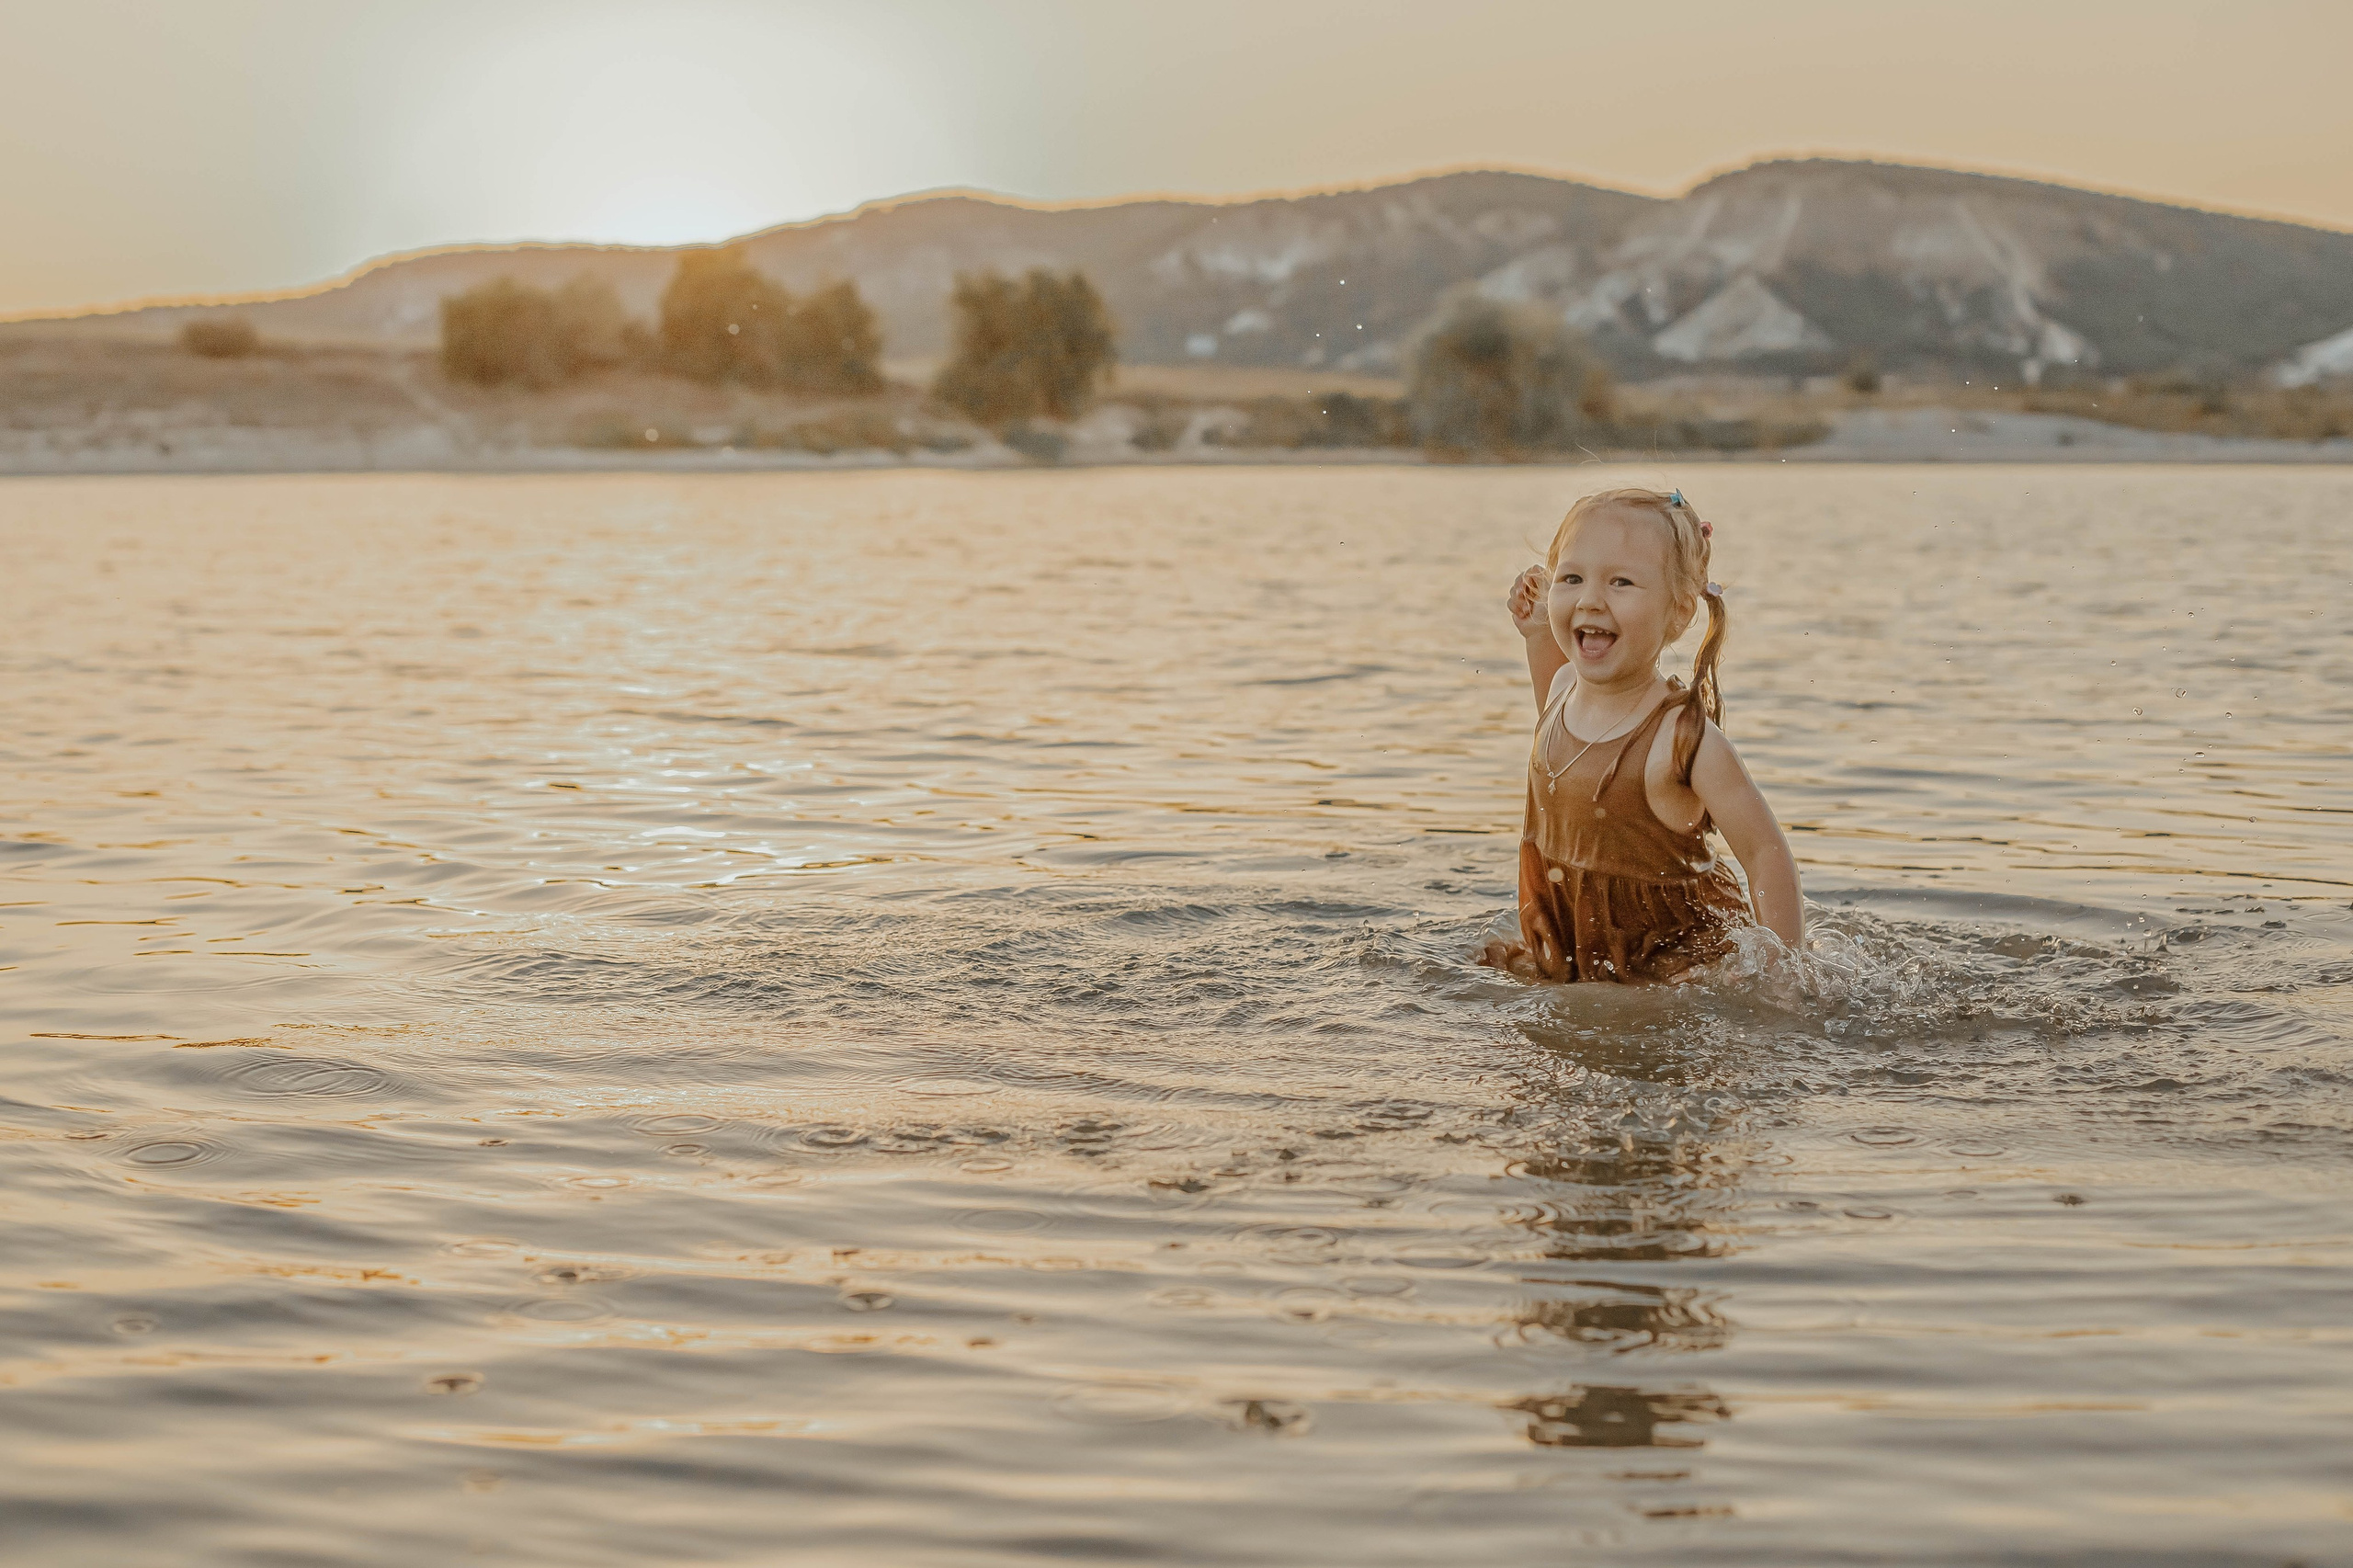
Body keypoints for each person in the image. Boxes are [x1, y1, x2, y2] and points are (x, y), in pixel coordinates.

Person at [1478, 486, 1802, 983]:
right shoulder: (1564, 686)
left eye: (1622, 582)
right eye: (1572, 578)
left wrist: (1782, 977)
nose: (1590, 600)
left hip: (1675, 958)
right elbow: (1557, 751)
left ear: (1678, 613)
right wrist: (1539, 634)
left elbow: (1766, 854)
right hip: (1578, 944)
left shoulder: (1683, 742)